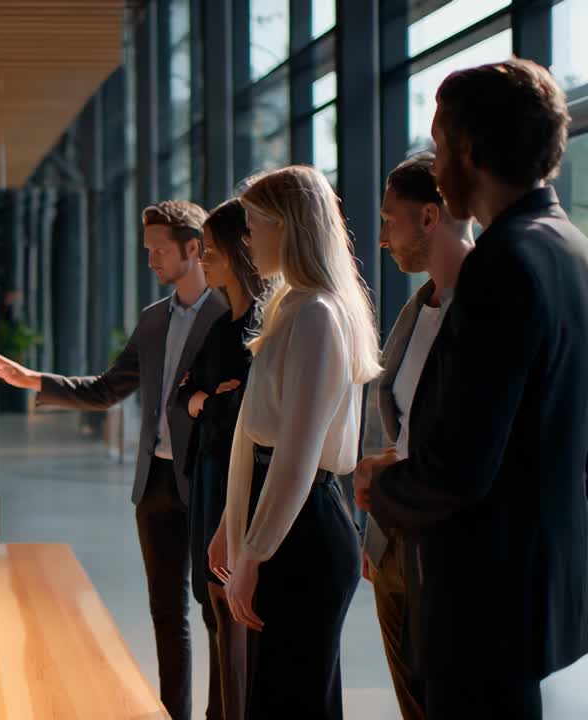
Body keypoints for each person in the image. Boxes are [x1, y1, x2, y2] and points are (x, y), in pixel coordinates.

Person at [354, 58, 588, 717]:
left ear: (470, 149)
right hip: (534, 591)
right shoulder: (568, 247)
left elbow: (462, 466)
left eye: (438, 141)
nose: (435, 161)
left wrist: (381, 484)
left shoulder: (503, 264)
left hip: (484, 600)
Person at [0, 200, 227, 720]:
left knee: (216, 613)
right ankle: (173, 712)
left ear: (193, 248)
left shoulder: (230, 315)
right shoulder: (155, 319)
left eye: (160, 250)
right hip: (154, 484)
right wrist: (34, 381)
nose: (152, 260)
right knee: (166, 614)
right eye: (148, 251)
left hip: (209, 483)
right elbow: (108, 388)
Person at [207, 165, 380, 718]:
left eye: (254, 225)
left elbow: (297, 454)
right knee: (286, 695)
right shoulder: (292, 305)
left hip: (304, 529)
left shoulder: (317, 314)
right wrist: (231, 529)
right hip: (288, 520)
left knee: (293, 697)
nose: (247, 239)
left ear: (286, 226)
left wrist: (253, 550)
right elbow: (251, 433)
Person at [360, 152, 474, 720]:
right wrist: (375, 530)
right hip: (395, 540)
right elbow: (402, 430)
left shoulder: (485, 308)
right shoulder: (417, 308)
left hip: (449, 548)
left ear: (430, 218)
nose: (382, 238)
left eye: (389, 220)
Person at [173, 198, 266, 720]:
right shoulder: (221, 324)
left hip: (236, 479)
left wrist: (212, 401)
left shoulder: (259, 325)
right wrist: (210, 400)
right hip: (210, 472)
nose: (203, 260)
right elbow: (188, 392)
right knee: (212, 609)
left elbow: (246, 407)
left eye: (210, 250)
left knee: (229, 610)